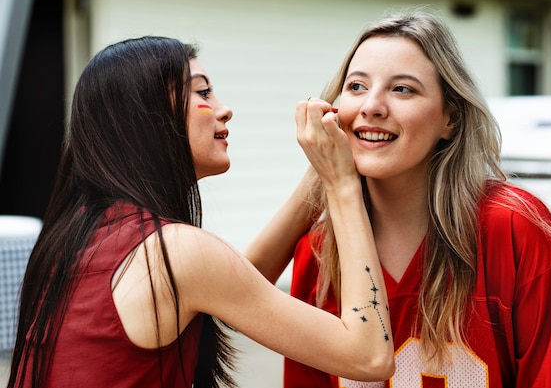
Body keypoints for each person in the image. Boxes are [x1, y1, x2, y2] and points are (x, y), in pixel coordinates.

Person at [7, 36, 395, 388]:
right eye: (203, 92)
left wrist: (320, 176)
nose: (225, 110)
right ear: (146, 116)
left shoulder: (77, 234)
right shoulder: (175, 252)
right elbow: (369, 356)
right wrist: (342, 185)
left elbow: (237, 287)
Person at [248, 8, 551, 387]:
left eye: (402, 89)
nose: (371, 107)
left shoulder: (515, 227)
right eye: (357, 86)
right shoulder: (318, 250)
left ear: (451, 119)